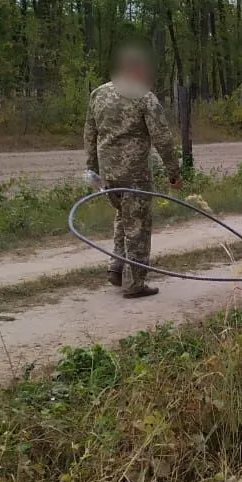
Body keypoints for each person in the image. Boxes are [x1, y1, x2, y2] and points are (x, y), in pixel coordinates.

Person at [84, 45, 184, 298]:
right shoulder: (144, 97)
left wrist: (93, 170)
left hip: (108, 175)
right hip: (135, 175)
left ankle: (116, 266)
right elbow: (162, 138)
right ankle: (135, 283)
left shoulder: (99, 94)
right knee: (137, 226)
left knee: (122, 217)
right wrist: (174, 171)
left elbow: (89, 135)